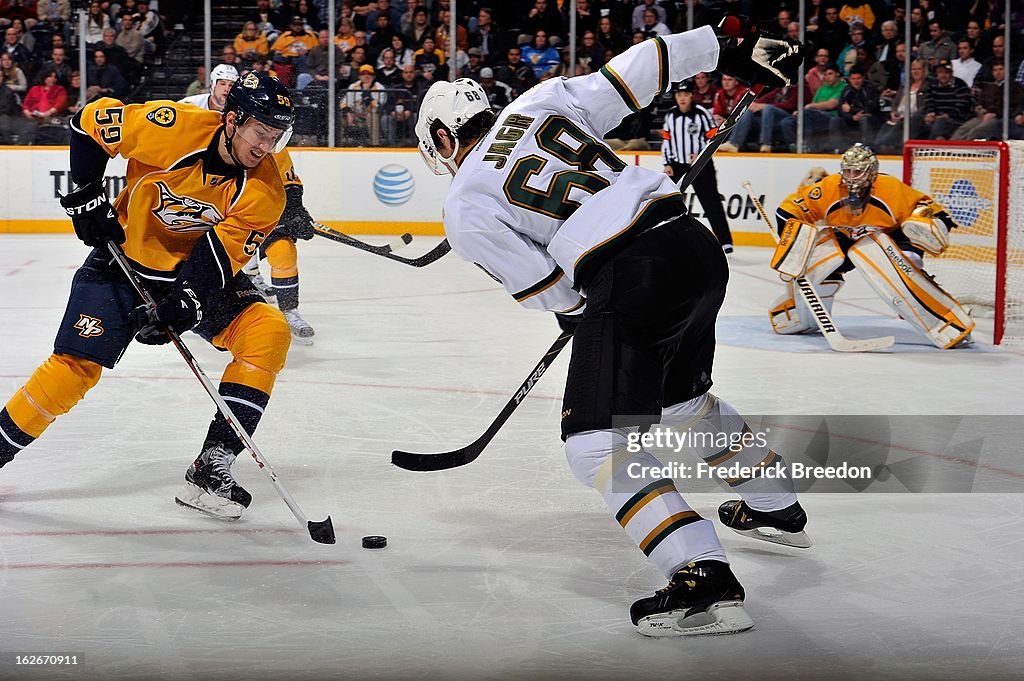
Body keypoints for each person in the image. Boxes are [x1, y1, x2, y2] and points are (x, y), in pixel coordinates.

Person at [415, 22, 808, 637]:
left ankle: (700, 574)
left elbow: (549, 291)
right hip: (693, 247)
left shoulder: (463, 204)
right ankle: (776, 506)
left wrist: (587, 310)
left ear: (443, 135)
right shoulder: (537, 102)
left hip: (633, 274)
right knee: (682, 405)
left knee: (595, 443)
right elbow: (639, 69)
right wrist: (727, 45)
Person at [0, 71, 297, 521]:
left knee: (267, 331)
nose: (265, 147)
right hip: (121, 266)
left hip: (187, 274)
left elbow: (217, 260)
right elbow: (89, 123)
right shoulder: (171, 127)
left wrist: (185, 304)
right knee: (73, 370)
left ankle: (212, 462)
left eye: (275, 137)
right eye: (260, 133)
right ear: (232, 119)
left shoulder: (266, 189)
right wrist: (85, 196)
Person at [770, 143, 973, 349]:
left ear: (871, 172)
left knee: (901, 271)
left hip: (891, 238)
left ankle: (948, 322)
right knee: (816, 266)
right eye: (847, 171)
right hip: (846, 236)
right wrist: (792, 240)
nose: (850, 177)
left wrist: (925, 228)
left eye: (857, 172)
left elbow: (930, 209)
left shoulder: (890, 188)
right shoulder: (830, 187)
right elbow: (789, 209)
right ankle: (802, 318)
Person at [179, 65, 319, 344]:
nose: (267, 142)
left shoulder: (265, 132)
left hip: (256, 208)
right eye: (223, 83)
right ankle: (242, 280)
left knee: (283, 252)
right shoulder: (192, 114)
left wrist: (293, 210)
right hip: (215, 214)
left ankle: (289, 310)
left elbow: (287, 178)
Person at [662, 80, 732, 254]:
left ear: (692, 96)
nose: (682, 98)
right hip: (676, 166)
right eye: (679, 95)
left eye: (686, 94)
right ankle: (670, 238)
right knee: (670, 204)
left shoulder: (701, 114)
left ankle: (725, 242)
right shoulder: (670, 115)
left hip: (701, 165)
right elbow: (667, 141)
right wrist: (667, 163)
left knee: (711, 202)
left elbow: (712, 138)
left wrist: (701, 155)